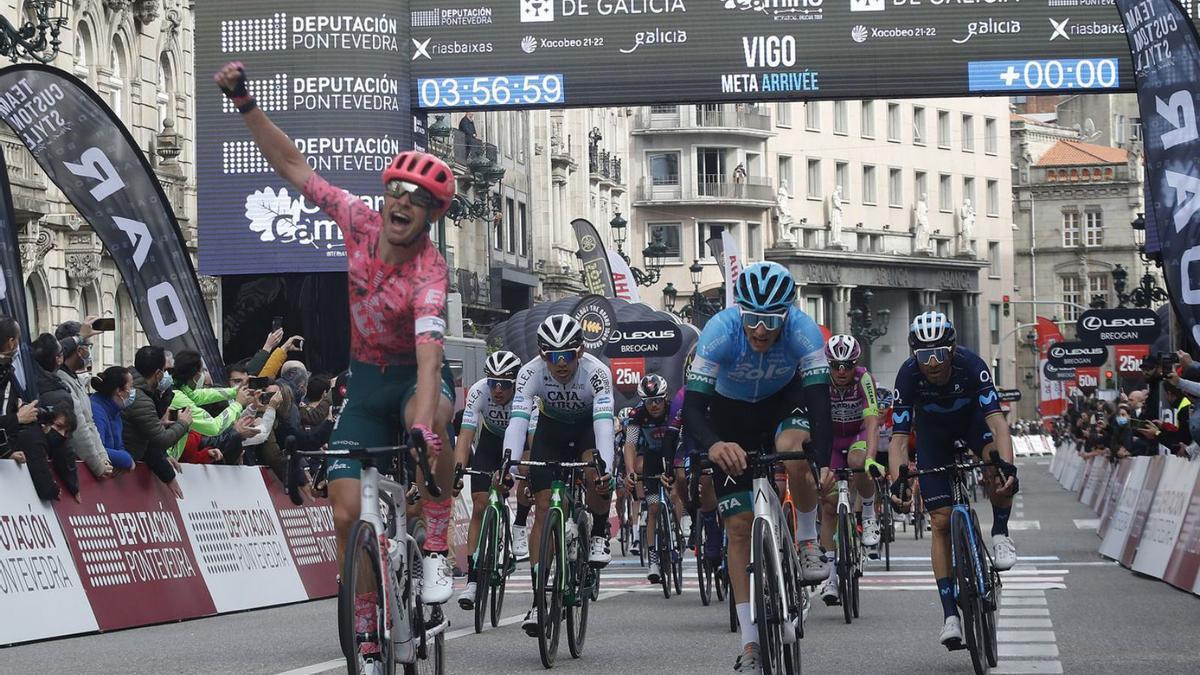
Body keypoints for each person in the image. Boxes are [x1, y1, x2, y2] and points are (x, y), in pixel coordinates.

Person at [216, 61, 460, 628]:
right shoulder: (358, 221)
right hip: (365, 379)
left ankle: (437, 545)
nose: (401, 200)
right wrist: (245, 103)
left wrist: (423, 426)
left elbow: (428, 364)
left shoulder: (430, 272)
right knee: (348, 515)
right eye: (397, 189)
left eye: (417, 197)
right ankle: (368, 621)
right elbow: (293, 166)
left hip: (413, 378)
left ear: (430, 215)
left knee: (437, 418)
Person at [682, 261, 834, 673]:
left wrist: (820, 459)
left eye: (771, 320)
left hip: (784, 403)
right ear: (739, 311)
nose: (761, 330)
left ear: (788, 313)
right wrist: (714, 444)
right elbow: (694, 409)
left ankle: (805, 541)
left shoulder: (804, 331)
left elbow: (821, 404)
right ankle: (750, 643)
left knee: (795, 451)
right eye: (752, 318)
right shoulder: (719, 331)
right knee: (737, 527)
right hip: (730, 418)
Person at [886, 311, 1019, 650]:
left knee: (996, 465)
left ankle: (1000, 530)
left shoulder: (972, 366)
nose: (931, 363)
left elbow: (998, 424)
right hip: (934, 436)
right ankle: (950, 616)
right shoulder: (907, 376)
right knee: (941, 521)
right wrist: (898, 482)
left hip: (974, 424)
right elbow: (899, 440)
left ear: (953, 349)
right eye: (923, 356)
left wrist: (1007, 467)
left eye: (938, 354)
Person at [502, 314, 616, 637]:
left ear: (580, 352)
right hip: (550, 432)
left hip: (586, 430)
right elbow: (518, 422)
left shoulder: (597, 373)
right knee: (542, 510)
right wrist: (508, 465)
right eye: (552, 356)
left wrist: (605, 467)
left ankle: (598, 531)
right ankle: (539, 600)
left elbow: (604, 425)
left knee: (596, 472)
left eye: (566, 355)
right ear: (542, 356)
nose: (560, 364)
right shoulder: (529, 374)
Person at [817, 334, 885, 607]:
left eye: (847, 365)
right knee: (828, 505)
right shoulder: (820, 382)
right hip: (832, 440)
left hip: (856, 434)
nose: (842, 371)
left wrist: (870, 457)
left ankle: (868, 514)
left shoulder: (863, 379)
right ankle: (830, 577)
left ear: (855, 363)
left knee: (859, 463)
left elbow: (871, 421)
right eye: (835, 365)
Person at [453, 350, 523, 610]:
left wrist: (516, 473)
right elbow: (466, 435)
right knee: (480, 505)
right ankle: (472, 580)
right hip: (490, 443)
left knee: (513, 484)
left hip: (517, 442)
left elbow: (530, 443)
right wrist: (458, 471)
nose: (497, 390)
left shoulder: (526, 394)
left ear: (515, 383)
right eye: (493, 383)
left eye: (504, 385)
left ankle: (512, 532)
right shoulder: (479, 391)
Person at [622, 373, 675, 583]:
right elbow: (630, 444)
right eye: (648, 401)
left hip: (673, 453)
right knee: (653, 508)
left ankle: (682, 523)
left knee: (679, 481)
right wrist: (630, 471)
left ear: (665, 397)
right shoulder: (638, 414)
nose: (653, 406)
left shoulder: (673, 410)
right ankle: (653, 559)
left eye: (657, 400)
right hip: (652, 457)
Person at [124, 346, 192, 498]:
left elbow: (145, 433)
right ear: (158, 373)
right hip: (125, 469)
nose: (168, 376)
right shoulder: (140, 398)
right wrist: (183, 423)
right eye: (166, 371)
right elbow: (160, 440)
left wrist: (159, 424)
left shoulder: (139, 392)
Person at [167, 350, 254, 460]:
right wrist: (238, 404)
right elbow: (214, 427)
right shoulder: (178, 397)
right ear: (194, 375)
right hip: (167, 460)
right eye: (202, 370)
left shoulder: (179, 388)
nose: (203, 375)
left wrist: (234, 391)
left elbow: (201, 395)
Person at [53, 321, 113, 479]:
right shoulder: (61, 381)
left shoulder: (75, 379)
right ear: (79, 350)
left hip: (88, 465)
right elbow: (80, 428)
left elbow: (90, 423)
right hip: (76, 467)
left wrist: (103, 458)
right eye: (89, 347)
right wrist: (98, 465)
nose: (90, 353)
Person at [88, 366, 137, 472]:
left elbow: (119, 446)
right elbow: (97, 449)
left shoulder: (116, 411)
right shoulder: (95, 410)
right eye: (131, 387)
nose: (133, 392)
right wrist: (126, 459)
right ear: (119, 390)